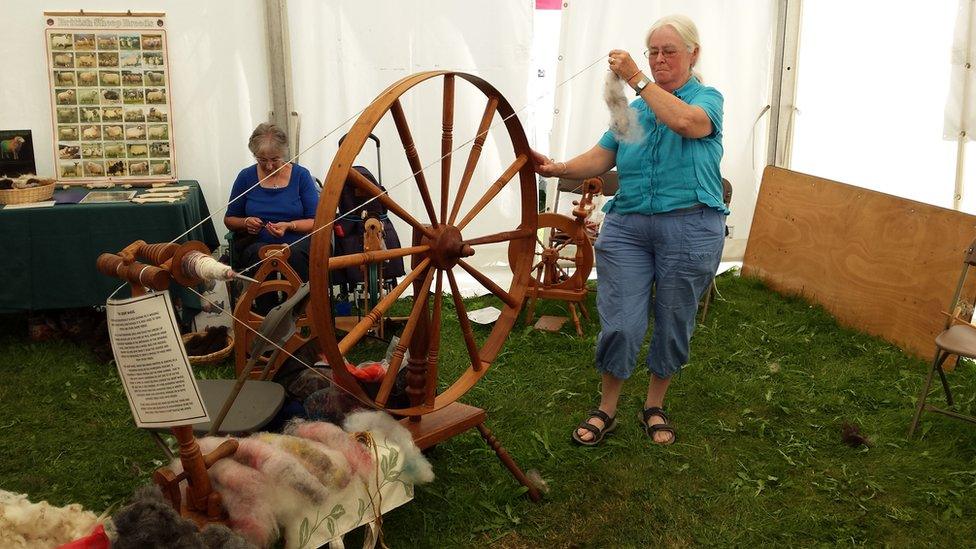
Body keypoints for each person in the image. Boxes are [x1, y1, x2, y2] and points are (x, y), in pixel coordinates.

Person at [533, 15, 727, 446]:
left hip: (691, 226)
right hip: (628, 228)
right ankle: (607, 408)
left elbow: (687, 124)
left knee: (674, 317)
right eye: (652, 52)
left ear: (693, 54)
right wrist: (557, 167)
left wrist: (637, 79)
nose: (659, 59)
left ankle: (654, 404)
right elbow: (603, 157)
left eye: (669, 51)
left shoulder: (707, 99)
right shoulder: (634, 111)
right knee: (620, 321)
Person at [224, 122, 320, 282]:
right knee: (259, 255)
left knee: (294, 255)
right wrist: (245, 222)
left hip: (297, 242)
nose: (269, 166)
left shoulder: (301, 176)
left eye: (275, 159)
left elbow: (316, 221)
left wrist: (289, 226)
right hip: (257, 243)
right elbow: (229, 219)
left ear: (284, 152)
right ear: (254, 155)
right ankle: (264, 305)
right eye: (262, 160)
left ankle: (302, 305)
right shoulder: (246, 177)